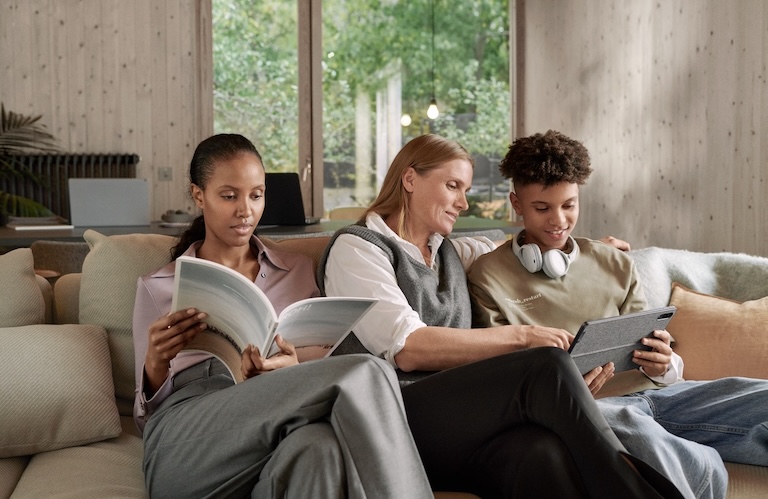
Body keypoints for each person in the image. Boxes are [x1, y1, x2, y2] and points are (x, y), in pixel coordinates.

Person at [318, 133, 685, 498]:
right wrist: (524, 336)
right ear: (410, 179)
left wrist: (590, 251)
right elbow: (408, 347)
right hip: (391, 417)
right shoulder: (358, 249)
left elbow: (518, 246)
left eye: (465, 190)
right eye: (453, 186)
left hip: (458, 424)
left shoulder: (449, 252)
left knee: (542, 452)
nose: (463, 202)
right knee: (546, 365)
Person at [468, 130, 768, 499]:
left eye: (569, 205)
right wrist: (569, 391)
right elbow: (503, 373)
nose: (558, 221)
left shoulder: (613, 262)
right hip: (595, 410)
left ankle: (702, 455)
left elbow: (653, 342)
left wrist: (665, 363)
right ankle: (705, 466)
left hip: (660, 394)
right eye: (542, 208)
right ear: (516, 203)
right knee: (649, 441)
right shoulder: (487, 276)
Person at [132, 133, 434, 499]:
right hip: (188, 441)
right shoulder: (157, 285)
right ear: (199, 196)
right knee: (368, 370)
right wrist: (155, 361)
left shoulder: (296, 270)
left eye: (256, 195)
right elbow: (144, 416)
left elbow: (322, 354)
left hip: (277, 415)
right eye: (229, 196)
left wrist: (289, 366)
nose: (246, 210)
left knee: (318, 448)